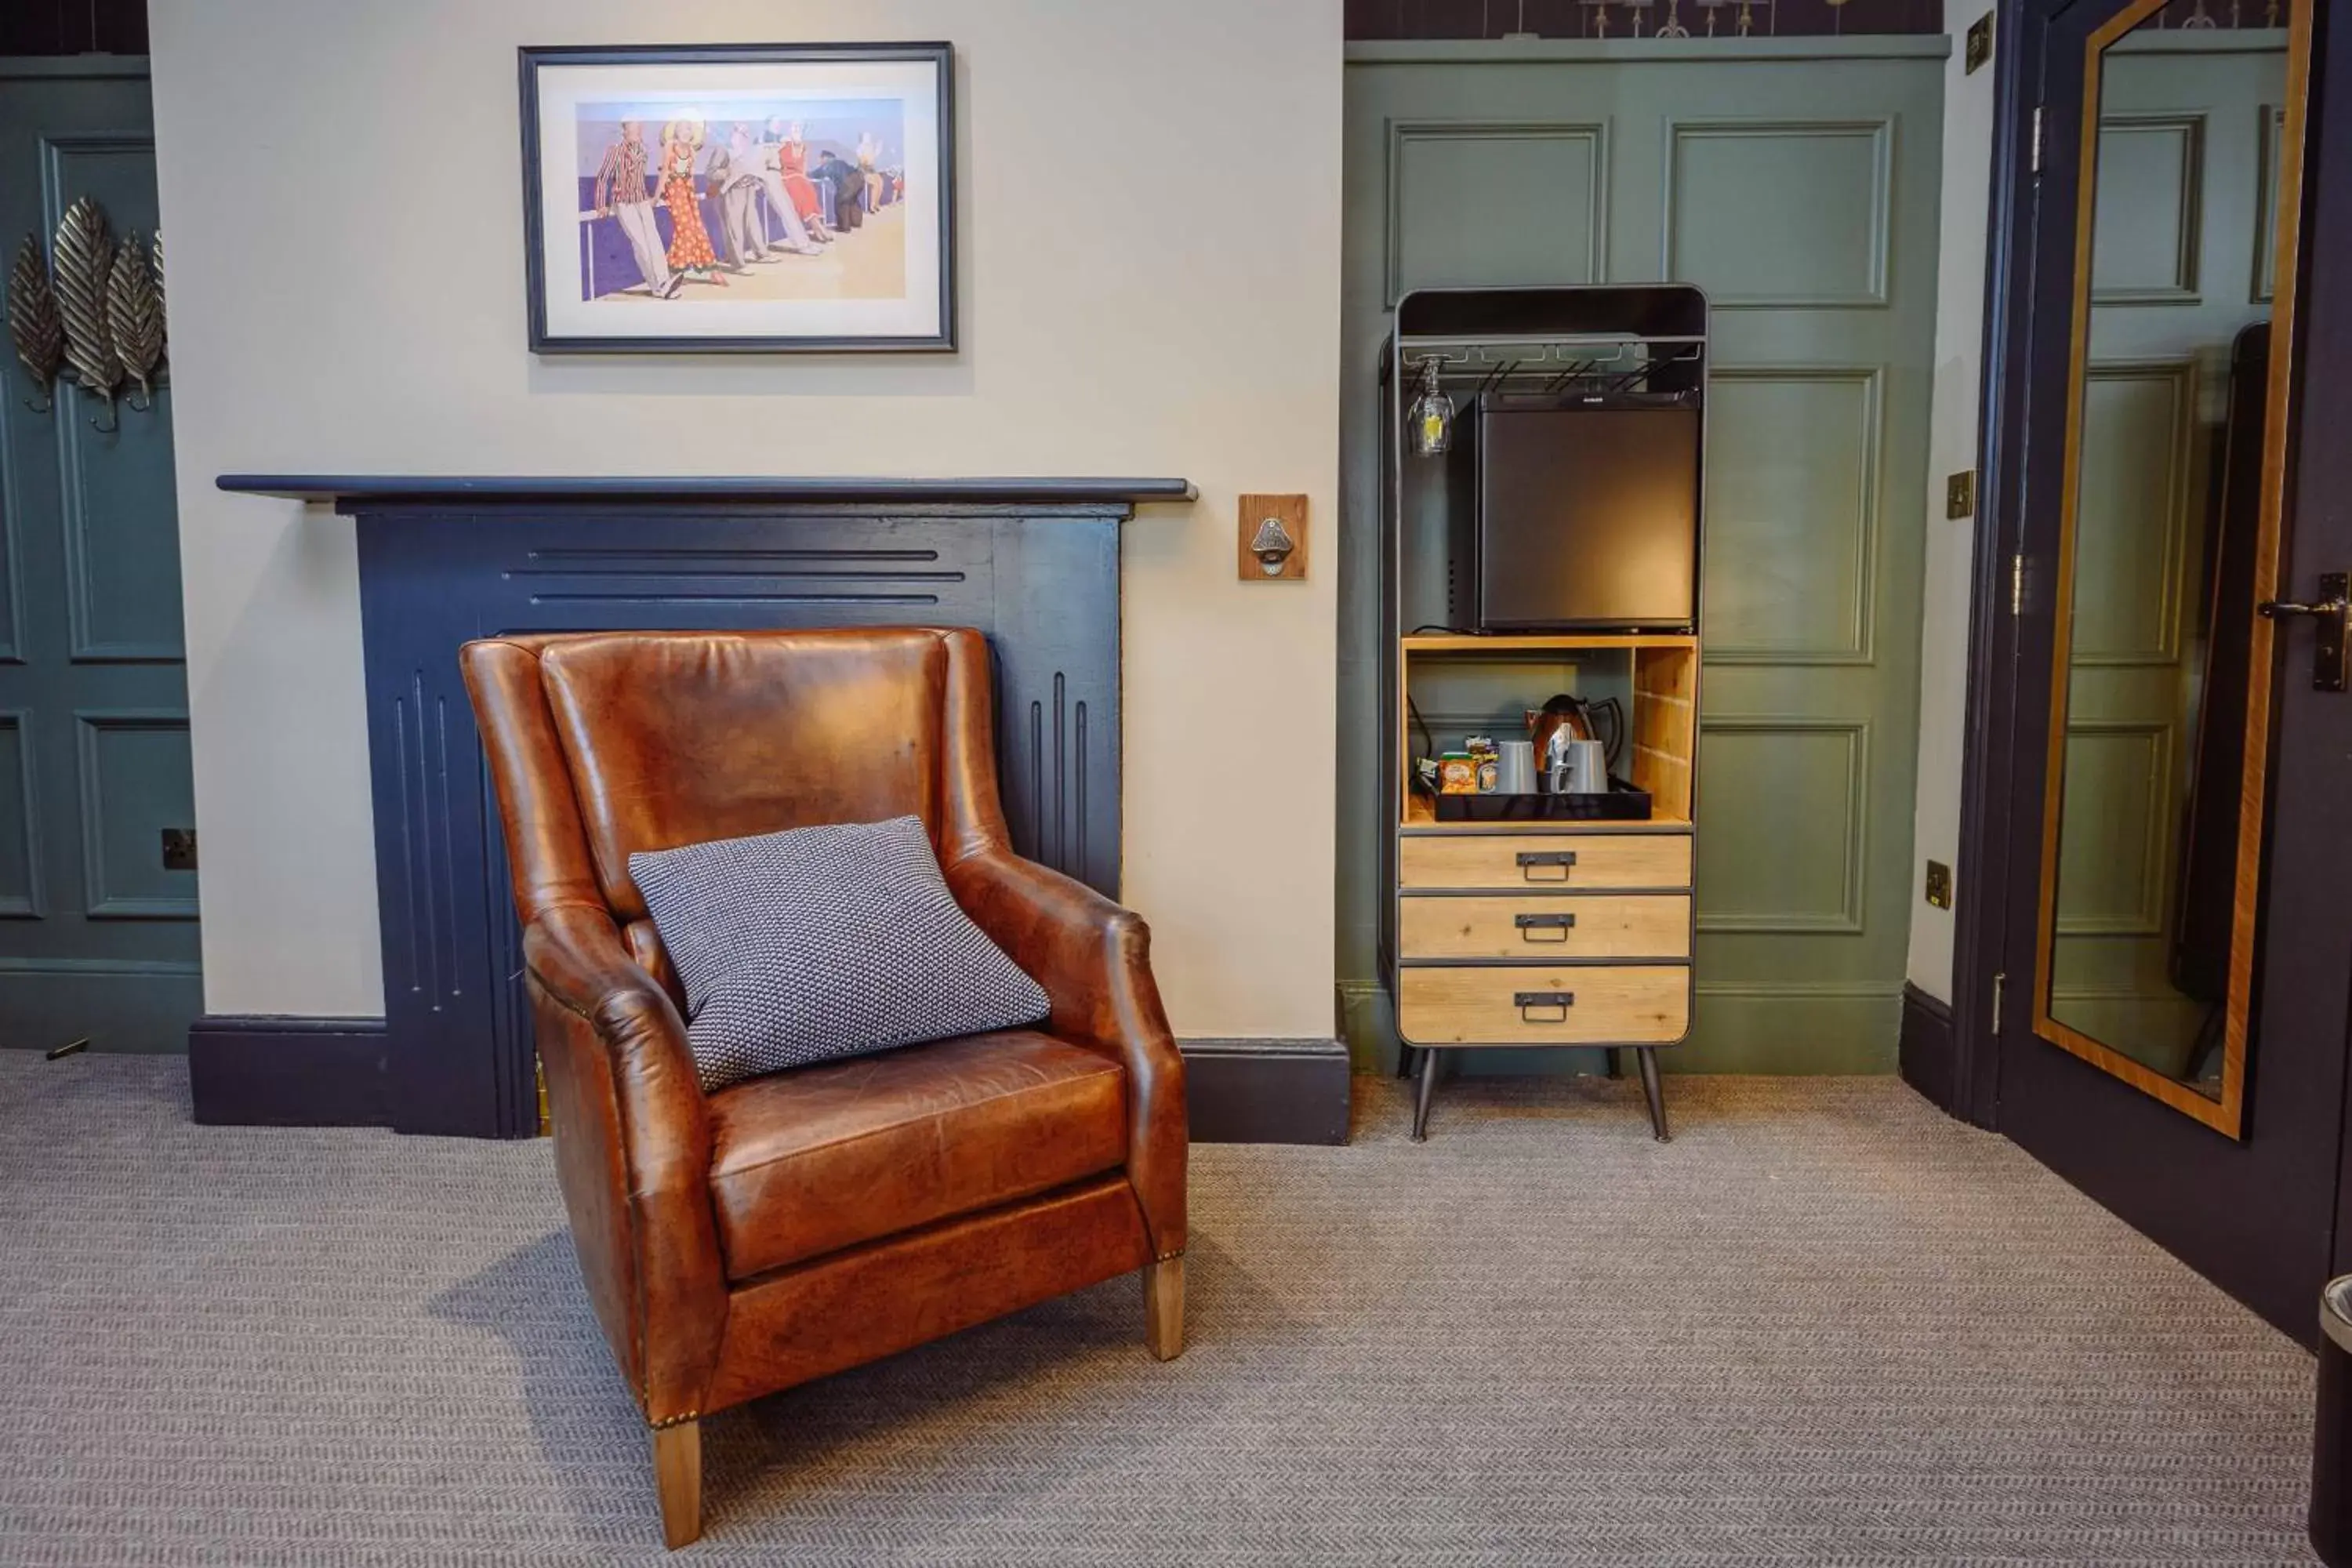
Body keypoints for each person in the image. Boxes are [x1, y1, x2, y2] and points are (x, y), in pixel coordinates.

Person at [591, 119, 677, 299]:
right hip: (623, 201)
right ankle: (658, 287)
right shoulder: (615, 151)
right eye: (633, 129)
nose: (637, 132)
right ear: (624, 130)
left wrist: (651, 197)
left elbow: (640, 178)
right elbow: (602, 178)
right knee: (641, 244)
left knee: (654, 240)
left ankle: (664, 281)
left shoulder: (643, 150)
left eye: (639, 129)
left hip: (642, 199)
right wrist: (601, 204)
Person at [657, 119, 723, 285]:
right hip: (674, 190)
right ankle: (676, 268)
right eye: (682, 129)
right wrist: (656, 196)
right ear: (676, 132)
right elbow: (665, 171)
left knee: (698, 229)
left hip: (687, 191)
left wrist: (692, 196)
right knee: (685, 230)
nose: (686, 132)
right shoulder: (670, 146)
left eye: (689, 129)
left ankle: (708, 268)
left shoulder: (692, 151)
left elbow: (690, 176)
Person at [770, 119, 832, 241]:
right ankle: (819, 228)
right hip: (785, 178)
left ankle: (818, 230)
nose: (797, 130)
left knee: (809, 191)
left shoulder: (803, 147)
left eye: (799, 128)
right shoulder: (782, 144)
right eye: (794, 127)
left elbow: (803, 166)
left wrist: (804, 178)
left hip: (798, 177)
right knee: (800, 194)